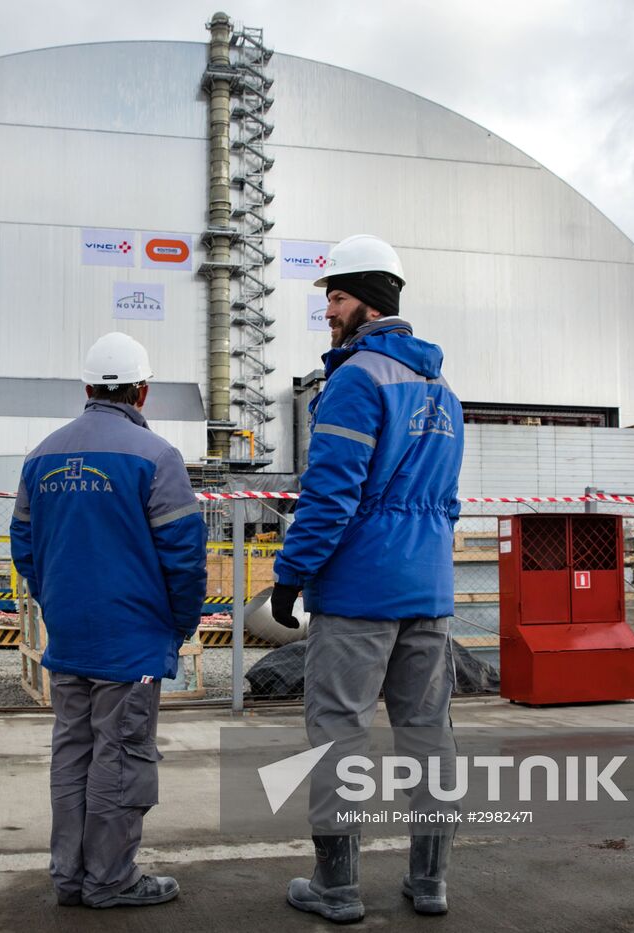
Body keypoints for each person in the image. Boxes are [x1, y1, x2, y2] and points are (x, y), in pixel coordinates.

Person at [271, 234, 465, 921]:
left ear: (371, 300)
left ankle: (337, 886)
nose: (329, 310)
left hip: (359, 592)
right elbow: (448, 499)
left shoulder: (356, 379)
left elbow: (332, 495)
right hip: (428, 591)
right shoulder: (443, 388)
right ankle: (430, 881)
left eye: (337, 296)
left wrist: (290, 574)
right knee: (427, 733)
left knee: (339, 733)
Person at [9, 331, 208, 910]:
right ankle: (110, 880)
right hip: (131, 643)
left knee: (73, 752)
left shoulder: (42, 454)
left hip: (69, 636)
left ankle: (70, 876)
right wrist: (179, 623)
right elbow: (184, 557)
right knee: (121, 755)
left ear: (89, 387)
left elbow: (25, 547)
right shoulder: (157, 458)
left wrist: (57, 602)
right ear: (141, 392)